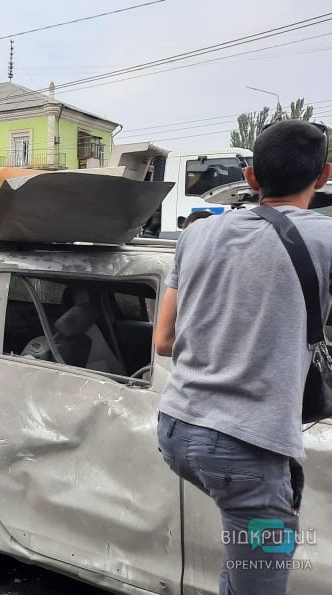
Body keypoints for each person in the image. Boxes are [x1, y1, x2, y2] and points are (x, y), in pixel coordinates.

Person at [154, 119, 332, 594]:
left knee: (246, 554)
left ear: (250, 177)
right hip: (246, 451)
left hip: (176, 430)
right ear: (324, 175)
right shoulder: (325, 239)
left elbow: (164, 342)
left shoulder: (197, 234)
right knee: (262, 575)